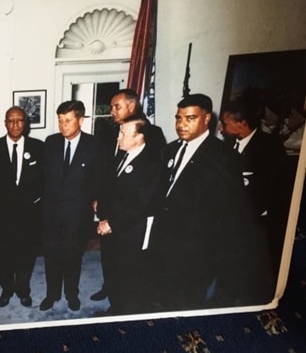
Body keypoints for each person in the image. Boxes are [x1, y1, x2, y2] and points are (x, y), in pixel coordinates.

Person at [149, 94, 273, 311]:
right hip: (164, 239)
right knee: (160, 294)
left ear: (206, 119)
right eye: (178, 118)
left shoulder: (224, 156)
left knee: (185, 303)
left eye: (190, 118)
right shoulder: (169, 150)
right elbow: (161, 193)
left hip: (196, 249)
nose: (181, 124)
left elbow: (232, 212)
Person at [91, 88, 166, 302]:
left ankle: (121, 294)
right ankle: (109, 286)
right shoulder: (109, 131)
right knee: (108, 254)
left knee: (128, 262)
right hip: (109, 205)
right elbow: (105, 171)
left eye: (117, 106)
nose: (112, 111)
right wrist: (99, 198)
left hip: (130, 215)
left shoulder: (151, 133)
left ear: (131, 106)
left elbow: (148, 181)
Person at [40, 100, 105, 312]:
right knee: (51, 257)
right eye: (60, 121)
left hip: (78, 216)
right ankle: (51, 294)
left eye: (67, 120)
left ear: (81, 120)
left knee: (73, 257)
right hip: (51, 215)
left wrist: (96, 201)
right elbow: (43, 178)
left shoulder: (94, 145)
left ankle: (71, 294)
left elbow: (98, 180)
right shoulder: (50, 143)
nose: (63, 125)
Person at [220, 100, 290, 276]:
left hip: (258, 223)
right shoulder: (227, 145)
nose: (220, 128)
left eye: (225, 124)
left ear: (242, 124)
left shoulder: (269, 148)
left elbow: (275, 190)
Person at [0, 106, 44, 308]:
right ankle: (7, 289)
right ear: (5, 123)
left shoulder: (38, 147)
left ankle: (23, 289)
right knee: (5, 255)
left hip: (29, 216)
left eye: (19, 120)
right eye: (11, 120)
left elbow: (44, 181)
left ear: (25, 123)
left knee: (26, 255)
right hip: (3, 216)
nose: (15, 125)